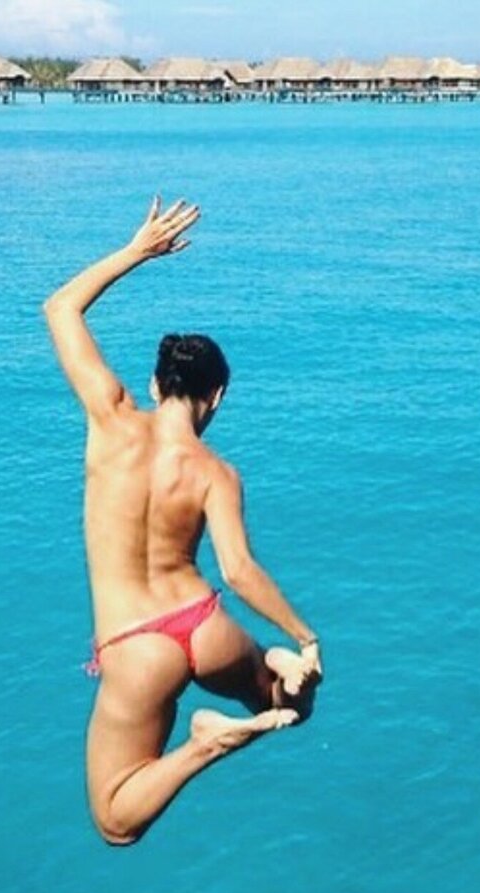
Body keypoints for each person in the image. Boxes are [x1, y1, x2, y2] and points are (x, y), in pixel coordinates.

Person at [43, 196, 322, 846]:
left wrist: (136, 252)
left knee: (116, 819)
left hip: (138, 643)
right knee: (287, 706)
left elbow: (60, 308)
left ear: (154, 383)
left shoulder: (111, 417)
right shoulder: (216, 473)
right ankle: (284, 671)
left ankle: (206, 745)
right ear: (216, 396)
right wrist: (304, 636)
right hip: (204, 625)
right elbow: (239, 571)